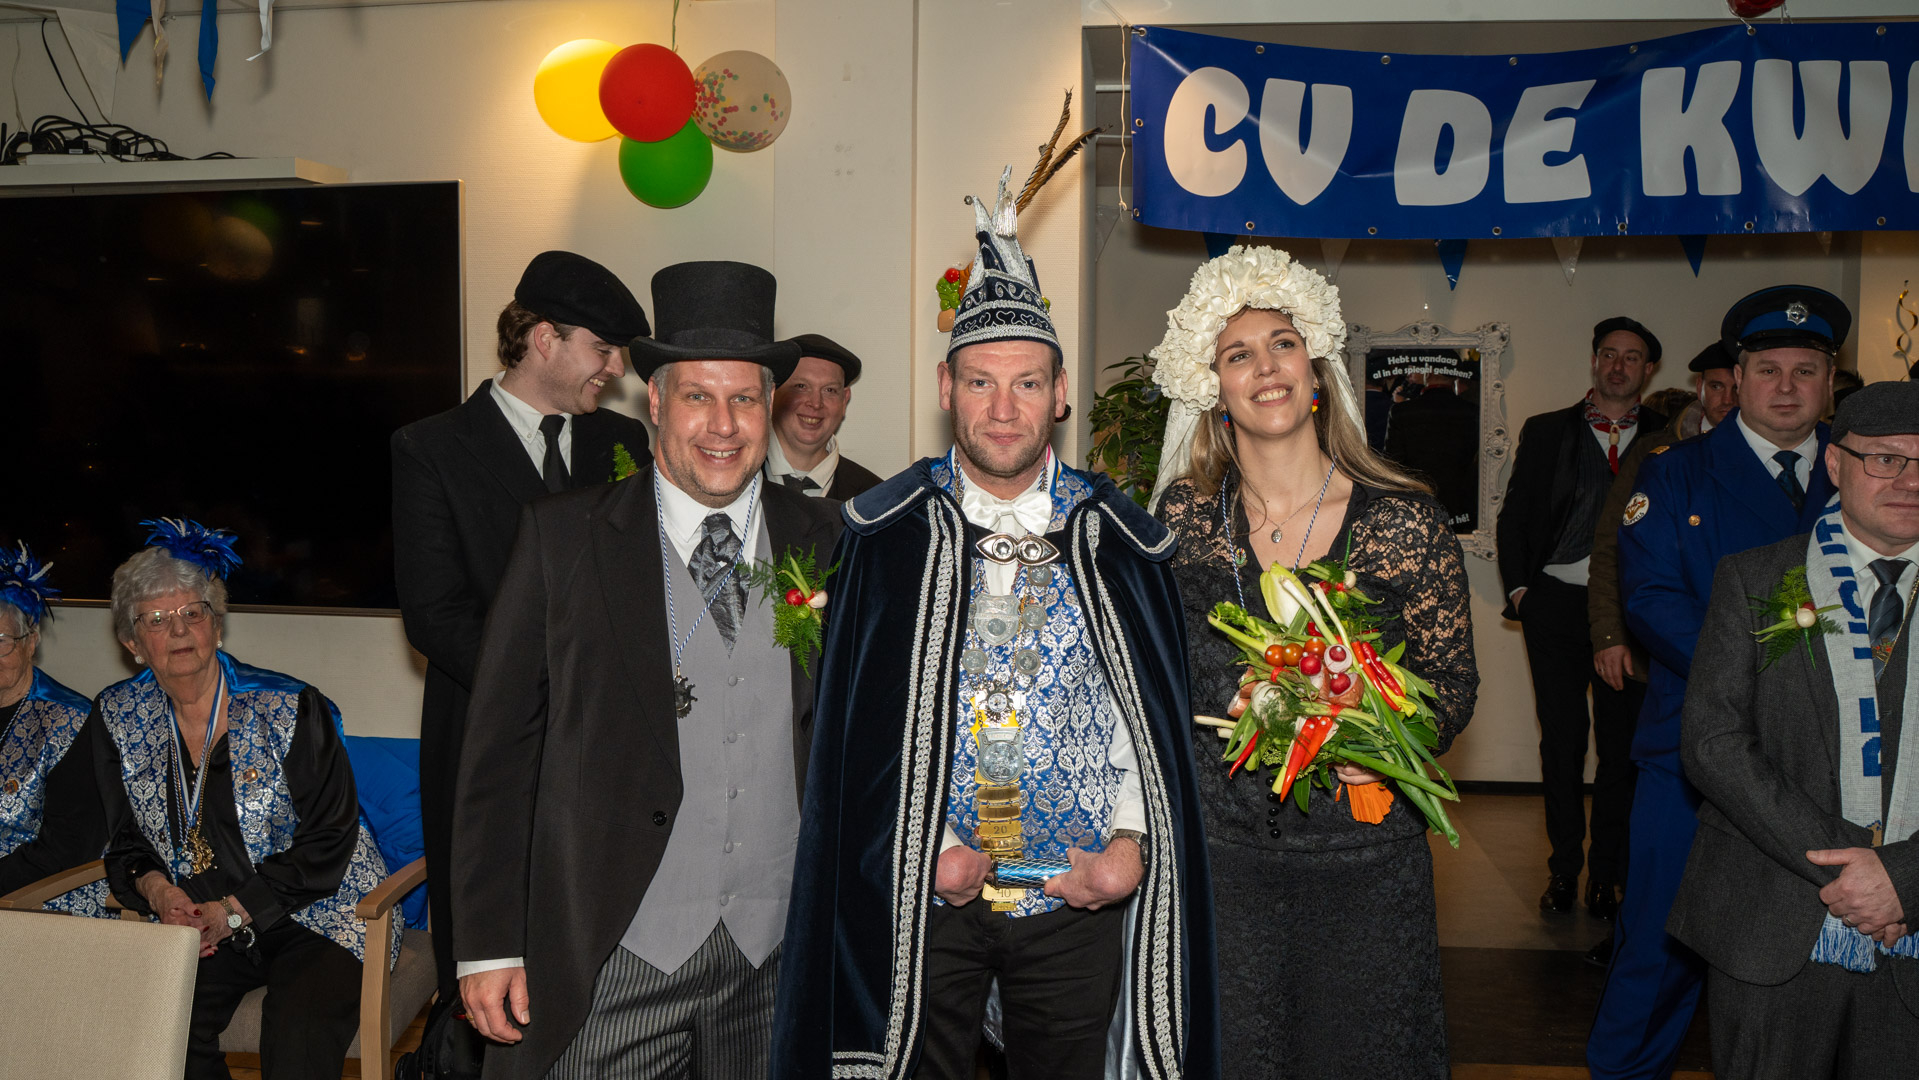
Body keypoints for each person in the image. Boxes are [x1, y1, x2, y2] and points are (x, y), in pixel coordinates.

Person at [771, 170, 1220, 1080]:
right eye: (980, 381)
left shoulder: (1120, 539)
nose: (1003, 409)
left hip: (1076, 898)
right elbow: (853, 738)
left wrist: (1128, 845)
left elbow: (1153, 727)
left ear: (1060, 392)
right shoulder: (885, 536)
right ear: (947, 386)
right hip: (925, 898)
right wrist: (927, 850)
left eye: (1026, 383)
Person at [451, 261, 842, 1080]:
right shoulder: (562, 540)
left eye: (744, 399)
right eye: (698, 395)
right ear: (656, 402)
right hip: (614, 952)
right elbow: (498, 754)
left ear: (769, 408)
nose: (723, 425)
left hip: (777, 958)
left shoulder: (832, 539)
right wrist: (488, 944)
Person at [1147, 245, 1478, 1077]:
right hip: (1223, 864)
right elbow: (1155, 682)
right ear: (1212, 387)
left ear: (1316, 368)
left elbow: (1450, 686)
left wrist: (1383, 737)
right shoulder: (1181, 519)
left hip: (1363, 863)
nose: (1265, 367)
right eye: (1238, 354)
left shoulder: (1403, 519)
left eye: (1283, 344)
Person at [1589, 285, 1848, 1080]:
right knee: (1661, 945)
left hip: (1834, 760)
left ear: (1829, 382)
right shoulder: (1675, 475)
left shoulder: (1865, 471)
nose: (1785, 387)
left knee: (1816, 952)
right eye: (1767, 369)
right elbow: (1652, 600)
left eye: (1804, 371)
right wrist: (1773, 672)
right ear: (1736, 378)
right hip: (1694, 754)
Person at [390, 249, 653, 1006]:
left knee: (597, 945)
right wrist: (551, 689)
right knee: (492, 954)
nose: (615, 370)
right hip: (489, 734)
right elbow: (435, 614)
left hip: (604, 743)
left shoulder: (623, 444)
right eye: (602, 350)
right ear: (544, 339)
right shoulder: (431, 448)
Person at [1670, 379, 1919, 1077]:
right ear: (1835, 464)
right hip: (1771, 919)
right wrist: (1856, 868)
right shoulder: (1755, 580)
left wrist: (1903, 877)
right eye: (1886, 459)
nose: (1909, 481)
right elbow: (1713, 744)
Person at [93, 519, 396, 1080]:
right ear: (133, 645)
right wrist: (160, 894)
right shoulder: (115, 716)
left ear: (216, 625)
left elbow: (329, 839)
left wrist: (234, 910)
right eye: (156, 620)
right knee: (154, 1022)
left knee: (297, 1037)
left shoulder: (290, 706)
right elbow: (124, 840)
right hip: (202, 926)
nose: (178, 629)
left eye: (193, 612)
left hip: (320, 915)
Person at [1499, 317, 1666, 921]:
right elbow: (1515, 515)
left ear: (1649, 370)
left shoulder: (1668, 437)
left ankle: (1607, 875)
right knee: (1563, 742)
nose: (1618, 366)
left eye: (1632, 357)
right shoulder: (1547, 430)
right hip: (1555, 605)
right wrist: (1522, 591)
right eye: (1609, 354)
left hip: (1630, 613)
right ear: (1595, 362)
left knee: (1622, 749)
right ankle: (1564, 869)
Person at [1581, 340, 1736, 967]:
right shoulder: (1657, 455)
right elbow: (1611, 551)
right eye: (1716, 386)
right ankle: (1624, 910)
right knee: (1630, 785)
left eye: (1735, 385)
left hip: (1750, 666)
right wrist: (1610, 636)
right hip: (1657, 662)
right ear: (1700, 389)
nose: (1726, 398)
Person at [0, 542, 110, 916]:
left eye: (1, 642)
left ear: (31, 641)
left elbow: (67, 849)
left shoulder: (72, 721)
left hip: (42, 902)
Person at [763, 333, 883, 500]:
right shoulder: (736, 476)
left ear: (844, 400)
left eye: (829, 390)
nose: (815, 403)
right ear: (772, 394)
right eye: (801, 386)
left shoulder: (875, 498)